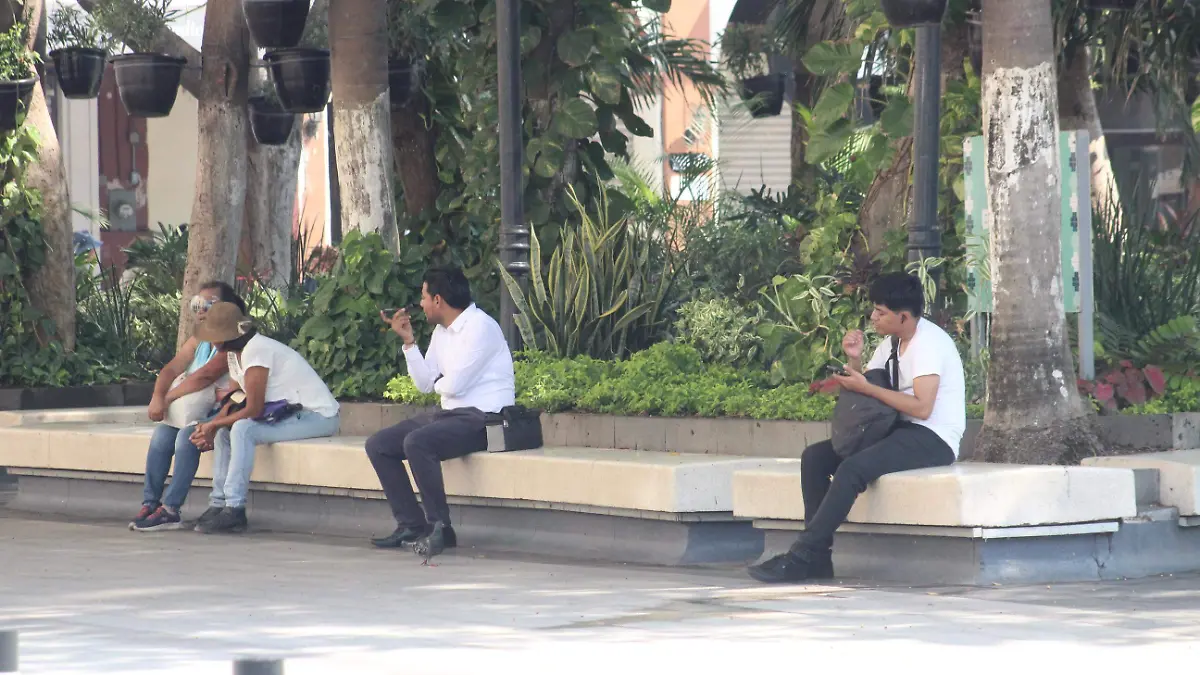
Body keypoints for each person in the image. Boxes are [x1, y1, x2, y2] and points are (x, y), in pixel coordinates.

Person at [747, 272, 966, 583]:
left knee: (852, 469)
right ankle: (818, 559)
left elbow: (922, 407)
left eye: (881, 312)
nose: (873, 317)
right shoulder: (891, 344)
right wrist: (853, 361)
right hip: (896, 428)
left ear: (903, 317)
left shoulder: (929, 344)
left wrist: (866, 387)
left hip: (932, 437)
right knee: (815, 458)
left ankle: (804, 555)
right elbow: (867, 389)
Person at [365, 268, 515, 558]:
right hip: (450, 414)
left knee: (418, 442)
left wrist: (441, 383)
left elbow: (456, 384)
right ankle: (411, 525)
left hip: (483, 417)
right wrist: (409, 342)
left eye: (423, 298)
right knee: (379, 445)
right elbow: (425, 384)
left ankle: (441, 528)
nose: (419, 305)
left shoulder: (481, 327)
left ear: (438, 299)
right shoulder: (441, 332)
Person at [189, 302, 341, 534]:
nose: (210, 340)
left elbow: (254, 409)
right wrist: (212, 426)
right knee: (225, 432)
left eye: (213, 335)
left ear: (226, 336)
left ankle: (235, 509)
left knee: (243, 429)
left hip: (318, 416)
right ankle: (218, 504)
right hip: (287, 412)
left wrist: (213, 423)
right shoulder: (234, 354)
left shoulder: (256, 350)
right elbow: (237, 397)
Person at [130, 282, 246, 532]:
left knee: (186, 438)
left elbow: (204, 376)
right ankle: (150, 503)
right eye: (198, 304)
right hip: (191, 409)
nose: (202, 310)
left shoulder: (234, 340)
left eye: (209, 304)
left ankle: (171, 509)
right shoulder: (199, 338)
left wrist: (167, 398)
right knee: (162, 435)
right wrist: (157, 396)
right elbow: (172, 368)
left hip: (221, 410)